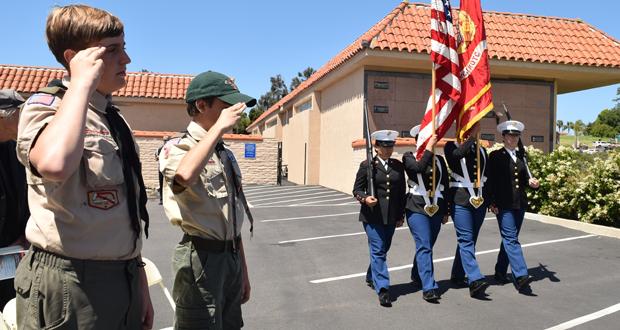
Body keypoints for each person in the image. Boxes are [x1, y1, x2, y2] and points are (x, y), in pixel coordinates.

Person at [14, 5, 153, 329]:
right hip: (70, 281)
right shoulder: (46, 107)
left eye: (124, 47)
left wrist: (138, 278)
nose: (126, 60)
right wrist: (80, 83)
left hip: (124, 277)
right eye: (113, 50)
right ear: (75, 58)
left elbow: (125, 214)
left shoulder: (113, 120)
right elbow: (55, 163)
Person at [160, 70, 256, 329]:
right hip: (200, 258)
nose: (236, 111)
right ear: (202, 105)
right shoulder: (178, 147)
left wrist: (242, 271)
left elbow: (231, 215)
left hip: (230, 257)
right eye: (226, 105)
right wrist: (219, 129)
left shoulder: (223, 153)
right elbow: (184, 175)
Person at [352, 130, 406, 307]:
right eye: (385, 146)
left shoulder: (398, 166)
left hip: (390, 216)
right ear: (376, 147)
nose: (389, 150)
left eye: (391, 146)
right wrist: (365, 198)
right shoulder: (367, 165)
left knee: (384, 248)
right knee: (378, 249)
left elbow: (400, 194)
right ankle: (383, 288)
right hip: (372, 216)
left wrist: (400, 216)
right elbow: (357, 190)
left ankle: (371, 274)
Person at [488, 120, 540, 292]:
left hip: (519, 203)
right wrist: (492, 202)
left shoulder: (521, 156)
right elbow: (491, 182)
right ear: (503, 137)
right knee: (511, 239)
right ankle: (521, 275)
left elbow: (523, 179)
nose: (513, 138)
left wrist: (532, 182)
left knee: (509, 240)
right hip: (503, 204)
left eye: (516, 135)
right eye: (510, 135)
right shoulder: (495, 156)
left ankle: (500, 271)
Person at [402, 125, 449, 302]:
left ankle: (416, 273)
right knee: (424, 245)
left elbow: (445, 186)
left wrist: (446, 211)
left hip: (436, 208)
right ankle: (428, 286)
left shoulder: (439, 160)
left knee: (427, 245)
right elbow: (417, 169)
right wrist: (429, 148)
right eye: (424, 138)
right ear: (417, 140)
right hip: (416, 207)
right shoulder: (409, 157)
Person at [444, 123, 490, 298]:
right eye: (467, 128)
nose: (470, 131)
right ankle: (475, 279)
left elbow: (488, 176)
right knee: (465, 239)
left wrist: (489, 200)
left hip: (479, 200)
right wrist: (472, 137)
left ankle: (457, 275)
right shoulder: (451, 146)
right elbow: (456, 156)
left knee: (470, 240)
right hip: (460, 198)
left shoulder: (481, 150)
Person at [0, 89, 29, 309]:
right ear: (4, 116)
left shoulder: (15, 148)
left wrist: (24, 235)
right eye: (22, 113)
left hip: (14, 255)